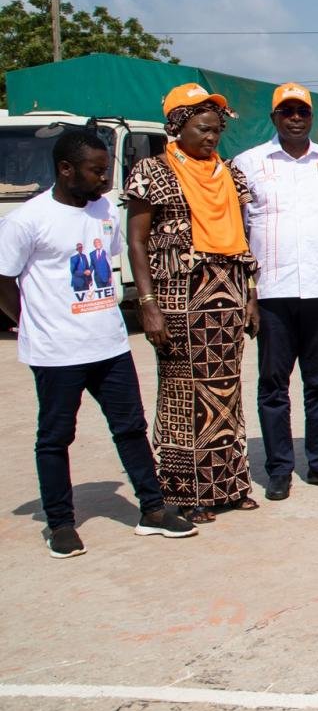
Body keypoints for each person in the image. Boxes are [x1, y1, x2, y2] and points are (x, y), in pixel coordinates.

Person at [0, 130, 195, 557]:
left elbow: (105, 260)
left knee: (131, 428)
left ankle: (153, 509)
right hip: (57, 353)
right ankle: (61, 523)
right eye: (96, 171)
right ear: (66, 169)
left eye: (106, 170)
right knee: (55, 437)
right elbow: (3, 282)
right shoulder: (25, 221)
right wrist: (31, 323)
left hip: (108, 345)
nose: (105, 180)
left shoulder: (105, 209)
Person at [124, 83, 260, 524]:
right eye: (202, 128)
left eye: (216, 130)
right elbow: (137, 242)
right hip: (179, 293)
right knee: (184, 389)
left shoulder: (227, 173)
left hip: (228, 289)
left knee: (226, 389)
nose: (211, 137)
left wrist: (251, 296)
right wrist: (147, 304)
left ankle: (228, 484)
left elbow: (243, 238)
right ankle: (184, 493)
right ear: (178, 126)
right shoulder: (153, 171)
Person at [232, 82, 318, 500]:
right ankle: (280, 469)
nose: (295, 118)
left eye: (301, 111)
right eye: (286, 112)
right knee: (273, 385)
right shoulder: (248, 164)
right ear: (274, 118)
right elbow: (239, 235)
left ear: (311, 117)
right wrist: (249, 295)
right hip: (272, 294)